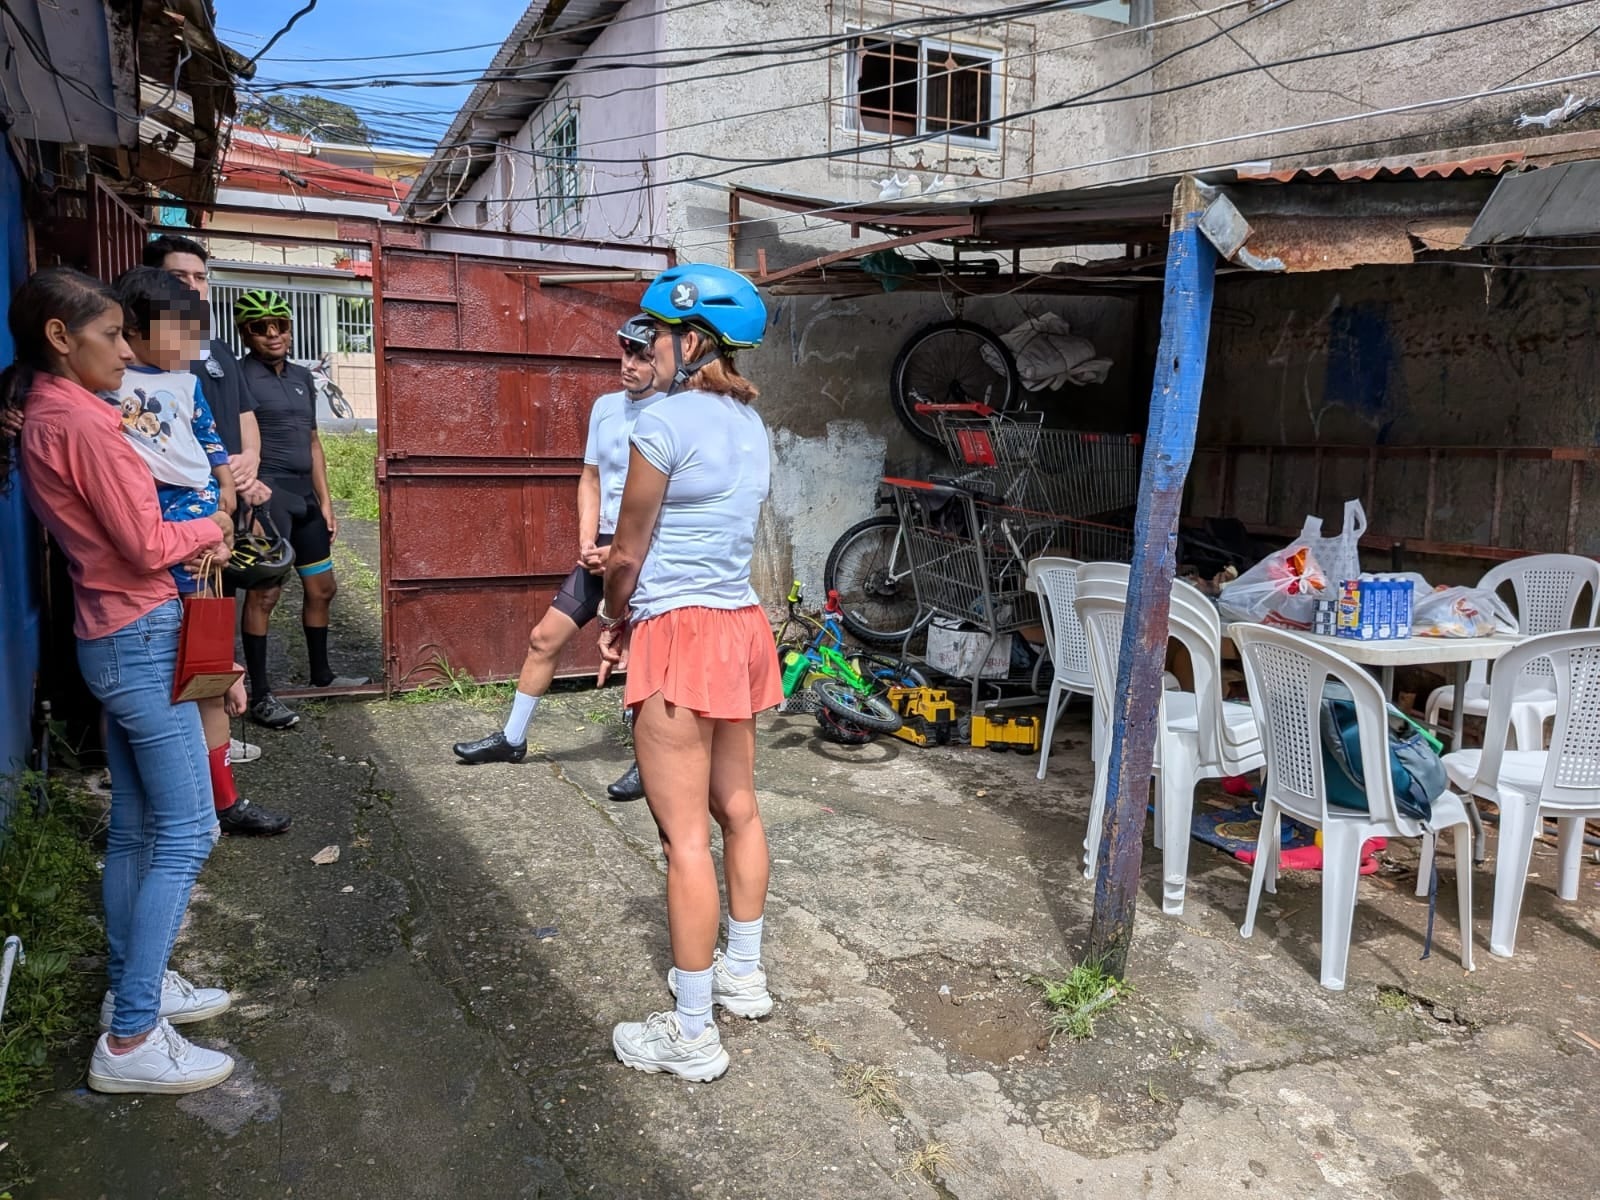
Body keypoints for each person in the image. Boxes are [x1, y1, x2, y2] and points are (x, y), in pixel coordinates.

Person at [1, 267, 236, 1094]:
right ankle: (133, 1035)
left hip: (112, 633)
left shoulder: (49, 410)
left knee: (138, 828)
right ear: (61, 338)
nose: (123, 348)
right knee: (189, 831)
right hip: (138, 634)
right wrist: (216, 520)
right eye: (108, 334)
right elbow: (144, 545)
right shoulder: (85, 423)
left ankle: (137, 982)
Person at [596, 265, 779, 1082]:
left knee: (682, 840)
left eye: (653, 335)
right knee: (738, 808)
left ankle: (693, 1031)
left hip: (678, 628)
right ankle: (744, 974)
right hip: (740, 625)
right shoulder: (754, 426)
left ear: (691, 340)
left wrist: (611, 616)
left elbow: (627, 551)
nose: (644, 347)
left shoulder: (664, 424)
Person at [108, 266, 291, 837]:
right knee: (162, 686)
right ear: (132, 329)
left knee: (208, 675)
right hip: (154, 556)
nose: (192, 347)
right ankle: (169, 805)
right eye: (180, 333)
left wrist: (226, 514)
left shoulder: (185, 384)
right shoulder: (104, 386)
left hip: (205, 549)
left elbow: (214, 445)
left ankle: (224, 801)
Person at [452, 318, 659, 801]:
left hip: (647, 546)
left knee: (644, 657)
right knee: (545, 637)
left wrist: (622, 550)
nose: (629, 364)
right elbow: (590, 477)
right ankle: (512, 737)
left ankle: (650, 762)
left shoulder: (674, 413)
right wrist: (587, 540)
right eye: (625, 353)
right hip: (602, 544)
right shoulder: (606, 408)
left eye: (642, 356)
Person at [144, 234, 271, 765]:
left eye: (201, 278)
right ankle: (188, 756)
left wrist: (248, 465)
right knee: (175, 642)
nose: (194, 288)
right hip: (172, 526)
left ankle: (212, 744)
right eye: (181, 278)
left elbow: (243, 421)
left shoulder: (216, 351)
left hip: (221, 514)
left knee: (213, 633)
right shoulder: (139, 361)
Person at [233, 289, 368, 730]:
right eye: (260, 327)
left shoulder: (303, 377)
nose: (273, 334)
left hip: (304, 498)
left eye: (281, 325)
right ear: (245, 332)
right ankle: (261, 693)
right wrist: (245, 497)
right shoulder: (238, 377)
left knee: (322, 588)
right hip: (266, 501)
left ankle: (321, 675)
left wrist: (327, 502)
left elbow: (313, 442)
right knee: (265, 594)